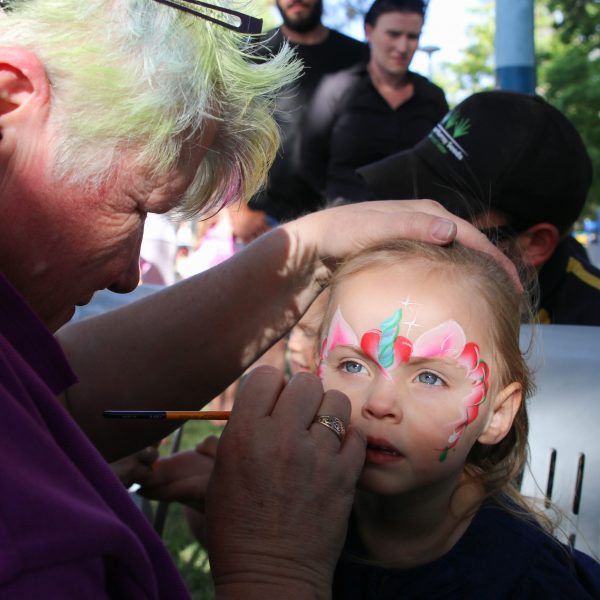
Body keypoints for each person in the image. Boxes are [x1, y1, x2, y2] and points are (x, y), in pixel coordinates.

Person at [0, 0, 520, 595]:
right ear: (9, 103)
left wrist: (311, 250)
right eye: (137, 205)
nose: (127, 275)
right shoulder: (29, 552)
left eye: (428, 376)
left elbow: (52, 398)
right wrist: (273, 568)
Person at [316, 240, 600, 597]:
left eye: (430, 378)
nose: (380, 402)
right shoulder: (289, 516)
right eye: (353, 365)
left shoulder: (530, 581)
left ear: (496, 414)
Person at [359, 90, 600, 326]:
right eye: (404, 199)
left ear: (535, 244)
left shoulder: (588, 331)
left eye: (446, 218)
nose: (410, 222)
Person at [300, 0, 448, 203]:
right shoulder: (336, 88)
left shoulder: (432, 97)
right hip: (347, 221)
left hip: (414, 224)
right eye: (393, 34)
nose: (403, 46)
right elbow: (309, 159)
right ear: (369, 32)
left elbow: (442, 164)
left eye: (412, 36)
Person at [249, 0, 368, 221]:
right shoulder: (254, 50)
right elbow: (226, 129)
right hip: (261, 217)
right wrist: (235, 208)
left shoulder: (358, 57)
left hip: (336, 215)